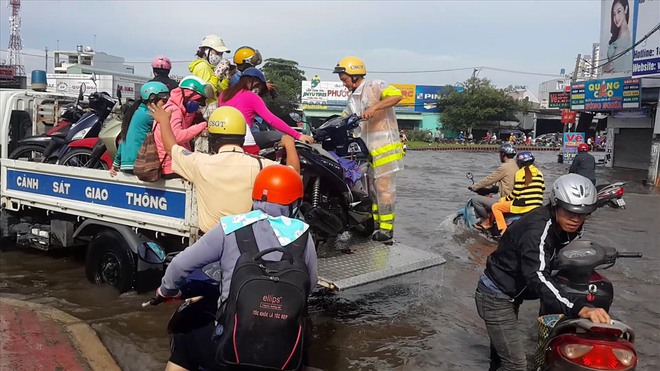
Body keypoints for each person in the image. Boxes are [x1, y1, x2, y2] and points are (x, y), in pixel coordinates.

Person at [157, 165, 318, 371]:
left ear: (256, 197)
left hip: (230, 344)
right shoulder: (303, 235)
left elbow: (179, 265)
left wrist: (165, 291)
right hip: (282, 348)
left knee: (185, 344)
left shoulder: (231, 227)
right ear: (295, 202)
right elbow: (310, 284)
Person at [475, 174, 610, 371]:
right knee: (516, 365)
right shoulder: (537, 230)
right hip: (496, 297)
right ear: (555, 204)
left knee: (500, 359)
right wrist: (581, 308)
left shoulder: (565, 225)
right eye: (569, 212)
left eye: (582, 214)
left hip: (511, 294)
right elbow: (537, 276)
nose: (575, 219)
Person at [150, 104, 300, 234]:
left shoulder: (200, 163)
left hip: (209, 243)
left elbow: (171, 149)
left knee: (178, 267)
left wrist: (164, 121)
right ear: (242, 138)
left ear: (213, 139)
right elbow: (293, 174)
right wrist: (289, 144)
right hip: (245, 244)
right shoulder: (260, 165)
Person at [333, 56, 403, 242]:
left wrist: (375, 107)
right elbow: (344, 118)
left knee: (384, 189)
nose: (343, 84)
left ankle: (387, 231)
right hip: (366, 150)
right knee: (371, 190)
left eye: (344, 79)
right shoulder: (352, 98)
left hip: (385, 147)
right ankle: (376, 227)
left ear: (354, 76)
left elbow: (397, 95)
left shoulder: (375, 85)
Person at [219, 67, 314, 155]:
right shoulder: (252, 96)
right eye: (260, 88)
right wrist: (297, 135)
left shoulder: (224, 94)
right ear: (256, 83)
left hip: (220, 140)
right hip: (244, 140)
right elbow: (271, 119)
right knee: (284, 136)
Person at [153, 76, 210, 179]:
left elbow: (183, 129)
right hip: (172, 166)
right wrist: (203, 125)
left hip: (170, 164)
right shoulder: (174, 111)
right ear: (186, 95)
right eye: (197, 100)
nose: (198, 104)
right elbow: (177, 136)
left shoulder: (169, 108)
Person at [110, 82, 170, 176]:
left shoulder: (137, 112)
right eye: (164, 101)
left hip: (127, 164)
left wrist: (116, 163)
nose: (166, 105)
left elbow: (124, 141)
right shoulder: (149, 115)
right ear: (152, 99)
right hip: (140, 163)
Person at [491, 151, 545, 236]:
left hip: (523, 206)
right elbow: (542, 189)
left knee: (495, 207)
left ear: (519, 163)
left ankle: (503, 228)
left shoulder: (520, 173)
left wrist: (503, 199)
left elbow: (515, 193)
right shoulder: (539, 173)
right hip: (537, 205)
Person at [468, 143, 519, 230]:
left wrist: (475, 186)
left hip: (507, 201)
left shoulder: (505, 167)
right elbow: (507, 182)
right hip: (517, 200)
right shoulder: (517, 165)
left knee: (476, 200)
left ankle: (487, 221)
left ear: (503, 154)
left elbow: (489, 179)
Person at [189, 34, 232, 102]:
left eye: (221, 54)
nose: (220, 56)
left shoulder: (211, 68)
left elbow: (219, 91)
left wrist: (227, 78)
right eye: (217, 52)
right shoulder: (202, 67)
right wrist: (216, 76)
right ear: (206, 51)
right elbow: (207, 94)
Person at [603, 0, 632, 74]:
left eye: (619, 11)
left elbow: (610, 66)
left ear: (625, 9)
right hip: (615, 80)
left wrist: (604, 67)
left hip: (624, 80)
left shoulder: (624, 39)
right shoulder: (617, 36)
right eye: (614, 14)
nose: (616, 17)